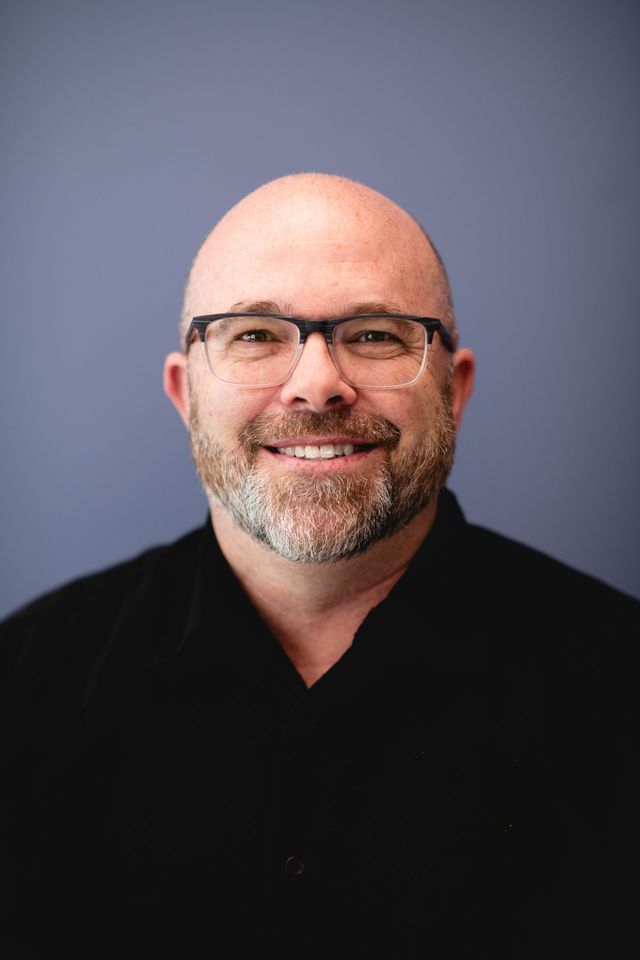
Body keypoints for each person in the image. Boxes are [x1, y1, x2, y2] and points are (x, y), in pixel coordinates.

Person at [0, 172, 638, 960]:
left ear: (455, 390)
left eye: (374, 335)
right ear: (184, 396)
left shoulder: (619, 687)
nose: (315, 386)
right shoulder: (22, 687)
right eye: (254, 335)